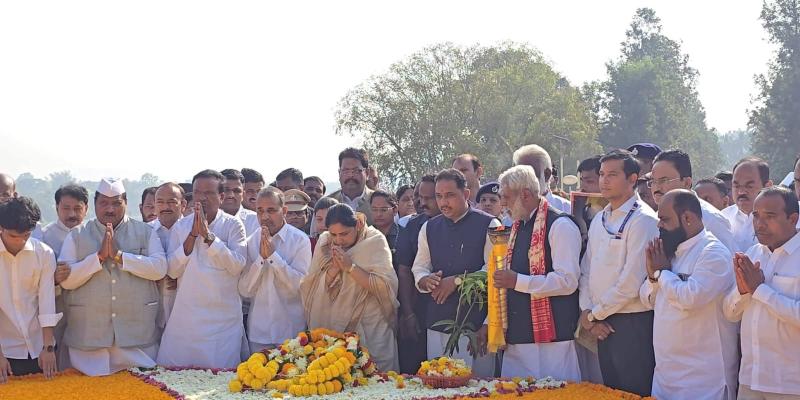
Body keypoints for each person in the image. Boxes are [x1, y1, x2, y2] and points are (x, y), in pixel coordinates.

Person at [481, 165, 582, 381]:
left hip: (552, 339)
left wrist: (517, 281)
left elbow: (568, 281)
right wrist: (490, 322)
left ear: (525, 194)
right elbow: (504, 281)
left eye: (506, 197)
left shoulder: (560, 225)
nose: (503, 204)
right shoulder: (517, 227)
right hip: (517, 335)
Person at [59, 178, 167, 376]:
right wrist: (98, 258)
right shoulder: (76, 235)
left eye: (116, 203)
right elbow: (66, 280)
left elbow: (160, 268)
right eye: (104, 203)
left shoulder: (146, 232)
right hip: (88, 344)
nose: (110, 209)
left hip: (137, 342)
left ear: (126, 203)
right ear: (94, 205)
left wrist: (120, 257)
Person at [639, 190, 738, 399]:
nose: (659, 226)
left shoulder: (713, 253)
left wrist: (661, 273)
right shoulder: (670, 251)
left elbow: (691, 297)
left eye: (664, 219)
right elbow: (647, 300)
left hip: (704, 381)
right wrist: (653, 277)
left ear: (688, 219)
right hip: (666, 376)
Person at [578, 150, 659, 396]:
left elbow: (631, 281)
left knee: (635, 391)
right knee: (611, 392)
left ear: (633, 178)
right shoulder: (599, 218)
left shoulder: (643, 219)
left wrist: (594, 315)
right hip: (600, 321)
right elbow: (586, 270)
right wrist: (586, 311)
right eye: (602, 174)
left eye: (612, 174)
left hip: (631, 323)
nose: (604, 180)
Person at [157, 170, 247, 369]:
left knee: (218, 383)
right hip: (186, 318)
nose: (202, 198)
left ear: (221, 197)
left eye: (209, 193)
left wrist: (209, 237)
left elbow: (237, 265)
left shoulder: (233, 225)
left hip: (221, 322)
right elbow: (171, 270)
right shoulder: (181, 227)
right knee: (173, 380)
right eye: (198, 193)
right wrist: (192, 236)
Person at [412, 169, 494, 376]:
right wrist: (425, 281)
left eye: (449, 195)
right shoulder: (429, 227)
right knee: (438, 383)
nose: (443, 202)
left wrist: (457, 281)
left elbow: (494, 272)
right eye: (439, 196)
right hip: (438, 321)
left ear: (466, 194)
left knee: (478, 388)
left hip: (475, 325)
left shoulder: (489, 225)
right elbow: (419, 267)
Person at [301, 204, 399, 372]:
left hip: (370, 324)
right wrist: (333, 269)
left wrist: (350, 267)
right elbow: (312, 284)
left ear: (358, 225)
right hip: (334, 324)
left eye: (344, 234)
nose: (338, 240)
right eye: (334, 234)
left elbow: (385, 286)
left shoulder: (375, 241)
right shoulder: (324, 242)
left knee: (378, 378)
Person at [723, 187, 800, 400]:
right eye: (756, 215)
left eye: (770, 216)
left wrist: (759, 290)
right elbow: (730, 314)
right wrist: (742, 291)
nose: (760, 223)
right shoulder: (754, 253)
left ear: (792, 219)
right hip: (750, 380)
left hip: (791, 385)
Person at [239, 187, 311, 354]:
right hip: (259, 333)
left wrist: (273, 257)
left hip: (291, 331)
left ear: (284, 210)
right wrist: (261, 260)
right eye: (260, 210)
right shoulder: (251, 241)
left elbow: (299, 287)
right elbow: (244, 290)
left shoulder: (300, 241)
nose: (264, 217)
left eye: (271, 210)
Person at [0, 197, 60, 380]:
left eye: (26, 235)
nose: (20, 241)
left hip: (40, 348)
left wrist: (48, 347)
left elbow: (47, 302)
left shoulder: (44, 253)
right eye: (13, 236)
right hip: (6, 350)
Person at [39, 184, 89, 370]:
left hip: (87, 308)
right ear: (56, 207)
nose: (72, 214)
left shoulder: (93, 234)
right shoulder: (44, 237)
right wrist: (53, 279)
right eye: (66, 208)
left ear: (87, 208)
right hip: (56, 305)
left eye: (77, 208)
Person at [649, 150, 735, 251]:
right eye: (653, 181)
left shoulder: (711, 219)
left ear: (686, 183)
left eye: (664, 181)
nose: (656, 187)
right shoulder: (654, 218)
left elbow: (726, 261)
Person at [394, 174, 438, 374]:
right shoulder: (411, 226)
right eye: (419, 197)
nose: (422, 202)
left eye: (429, 197)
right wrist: (408, 313)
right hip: (418, 307)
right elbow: (403, 272)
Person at [151, 183, 187, 335]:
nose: (165, 206)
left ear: (183, 204)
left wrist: (180, 277)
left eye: (172, 202)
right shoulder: (144, 231)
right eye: (160, 202)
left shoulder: (194, 231)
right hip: (152, 311)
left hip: (187, 309)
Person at [722, 157, 773, 252]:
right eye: (736, 186)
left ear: (768, 186)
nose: (741, 192)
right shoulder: (722, 218)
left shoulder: (780, 221)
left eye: (749, 186)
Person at [513, 144, 571, 213]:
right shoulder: (511, 216)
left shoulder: (567, 210)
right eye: (519, 175)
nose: (523, 181)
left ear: (547, 175)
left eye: (530, 174)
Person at [327, 148, 375, 225]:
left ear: (367, 173)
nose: (351, 175)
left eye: (356, 170)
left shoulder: (378, 202)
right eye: (346, 170)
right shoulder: (328, 203)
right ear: (339, 173)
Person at [221, 169, 260, 236]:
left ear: (243, 195)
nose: (231, 195)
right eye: (226, 190)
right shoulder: (207, 218)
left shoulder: (256, 221)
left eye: (236, 191)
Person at [369, 190, 400, 270]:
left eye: (383, 210)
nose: (378, 214)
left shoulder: (404, 235)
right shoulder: (365, 235)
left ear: (395, 210)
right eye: (374, 209)